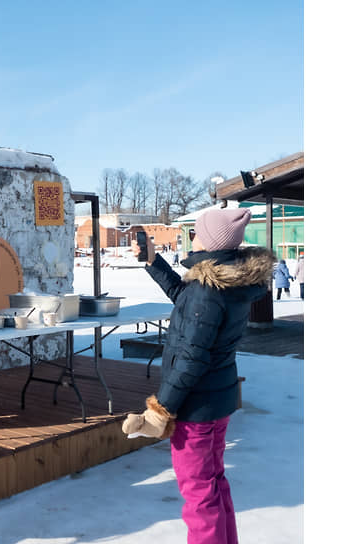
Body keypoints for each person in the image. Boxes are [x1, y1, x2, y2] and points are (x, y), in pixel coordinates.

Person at [122, 207, 275, 544]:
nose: (193, 236)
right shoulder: (223, 280)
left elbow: (191, 357)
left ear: (210, 240)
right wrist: (154, 263)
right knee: (214, 483)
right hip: (215, 401)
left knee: (199, 495)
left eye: (197, 231)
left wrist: (161, 408)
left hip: (196, 407)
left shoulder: (208, 289)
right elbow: (185, 299)